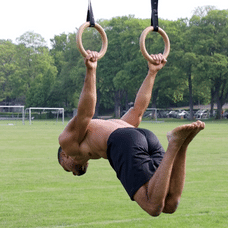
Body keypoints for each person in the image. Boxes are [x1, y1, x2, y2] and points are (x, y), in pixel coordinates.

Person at [58, 50, 205, 217]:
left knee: (152, 207)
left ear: (64, 155)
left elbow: (85, 113)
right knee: (170, 204)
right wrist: (152, 73)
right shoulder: (110, 126)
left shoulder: (68, 142)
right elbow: (137, 110)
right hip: (144, 137)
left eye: (67, 169)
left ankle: (175, 144)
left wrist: (91, 70)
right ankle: (182, 144)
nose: (75, 173)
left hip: (124, 143)